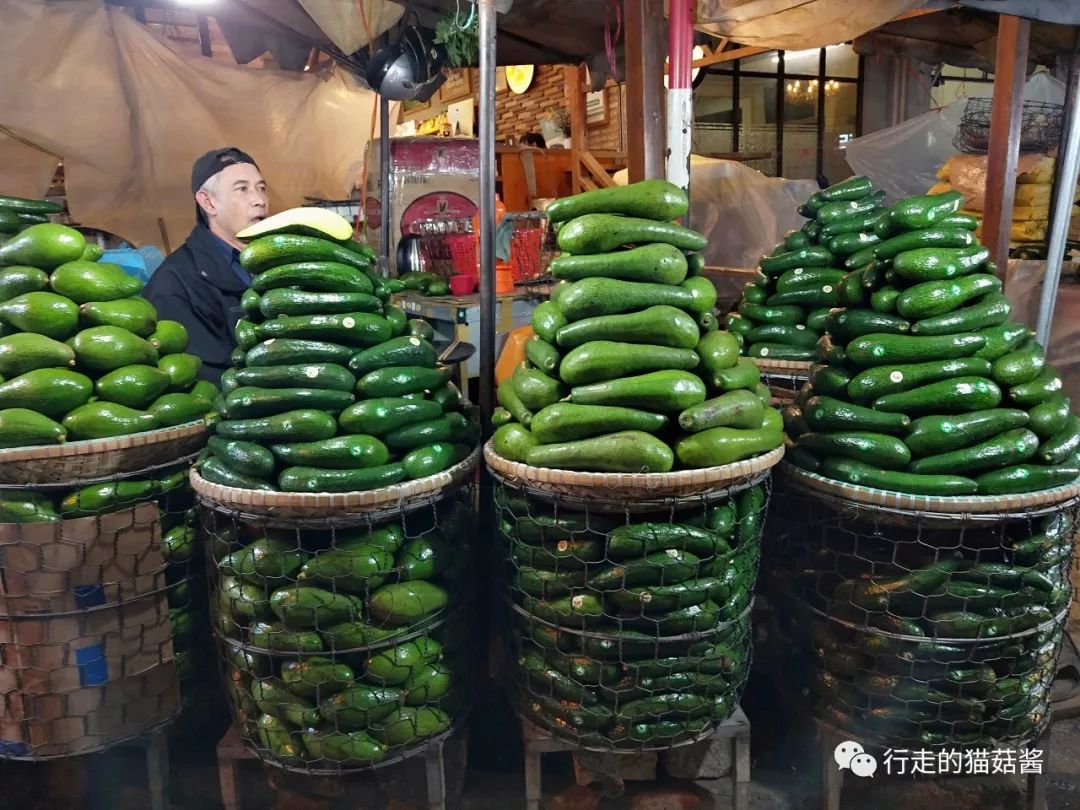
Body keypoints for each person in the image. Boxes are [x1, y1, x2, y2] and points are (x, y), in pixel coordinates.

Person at [144, 148, 268, 383]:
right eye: (242, 189)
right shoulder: (174, 283)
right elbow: (205, 375)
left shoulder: (275, 264)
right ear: (208, 202)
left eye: (261, 188)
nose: (259, 200)